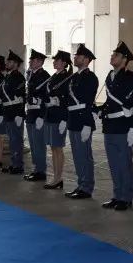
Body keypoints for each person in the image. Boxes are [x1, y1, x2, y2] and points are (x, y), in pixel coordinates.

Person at [96, 42, 133, 211]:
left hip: (123, 125)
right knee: (113, 162)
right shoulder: (109, 76)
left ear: (124, 59)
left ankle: (126, 197)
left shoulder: (132, 78)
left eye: (116, 55)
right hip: (110, 124)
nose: (112, 56)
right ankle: (117, 195)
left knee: (124, 163)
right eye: (113, 54)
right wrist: (100, 110)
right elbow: (110, 101)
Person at [65, 44, 98, 199]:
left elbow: (87, 102)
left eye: (78, 56)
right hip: (73, 119)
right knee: (77, 155)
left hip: (83, 120)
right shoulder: (74, 77)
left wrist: (87, 124)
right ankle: (80, 184)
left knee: (84, 155)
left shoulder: (90, 77)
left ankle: (87, 186)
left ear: (86, 59)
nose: (75, 58)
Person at [43, 50, 72, 189]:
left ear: (64, 63)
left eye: (57, 60)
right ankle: (55, 176)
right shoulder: (55, 76)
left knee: (58, 148)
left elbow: (67, 98)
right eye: (54, 60)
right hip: (50, 114)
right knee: (53, 147)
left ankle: (58, 177)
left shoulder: (66, 77)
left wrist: (64, 119)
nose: (54, 62)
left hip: (59, 116)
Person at [24, 49, 50, 182]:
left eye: (32, 60)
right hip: (31, 113)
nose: (30, 62)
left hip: (38, 113)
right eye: (30, 59)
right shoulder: (31, 74)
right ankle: (36, 168)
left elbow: (46, 98)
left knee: (39, 143)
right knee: (33, 143)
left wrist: (41, 116)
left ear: (39, 62)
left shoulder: (43, 75)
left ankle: (41, 170)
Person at [1, 50, 26, 174]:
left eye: (9, 61)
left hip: (15, 112)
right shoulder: (8, 76)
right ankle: (13, 162)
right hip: (8, 111)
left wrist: (20, 114)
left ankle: (18, 165)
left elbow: (22, 98)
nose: (7, 63)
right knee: (11, 140)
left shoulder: (19, 77)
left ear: (15, 64)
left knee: (16, 140)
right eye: (7, 61)